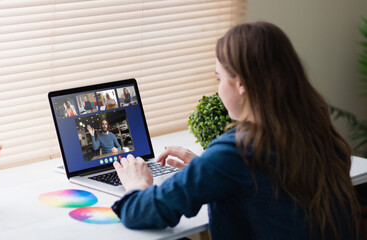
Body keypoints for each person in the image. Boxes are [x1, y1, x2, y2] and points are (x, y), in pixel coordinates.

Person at [111, 21, 361, 240]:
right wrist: (207, 169)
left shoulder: (238, 150)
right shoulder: (315, 131)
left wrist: (137, 184)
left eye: (219, 78)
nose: (218, 88)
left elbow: (144, 212)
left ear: (240, 84)